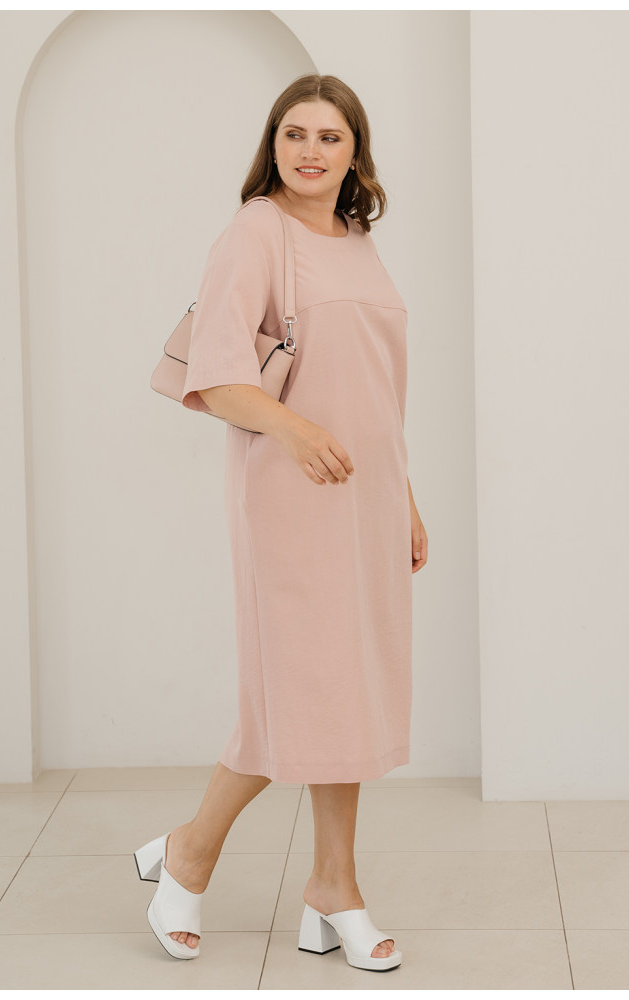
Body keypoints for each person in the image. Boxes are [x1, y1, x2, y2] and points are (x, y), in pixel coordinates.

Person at [135, 73, 428, 973]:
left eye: (328, 137)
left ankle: (331, 886)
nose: (309, 151)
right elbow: (216, 375)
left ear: (355, 153)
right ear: (272, 146)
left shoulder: (358, 243)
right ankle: (190, 852)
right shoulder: (255, 232)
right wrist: (297, 431)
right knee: (301, 689)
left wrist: (405, 496)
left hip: (366, 496)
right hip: (291, 495)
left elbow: (377, 395)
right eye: (293, 134)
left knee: (347, 690)